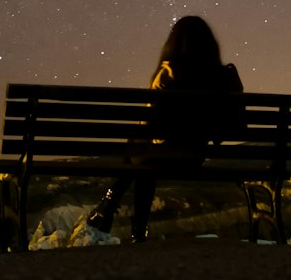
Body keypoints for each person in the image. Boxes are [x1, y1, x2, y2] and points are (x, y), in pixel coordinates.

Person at [85, 15, 244, 241]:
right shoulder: (224, 76)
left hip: (163, 154)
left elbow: (151, 126)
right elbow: (235, 125)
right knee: (144, 155)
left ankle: (114, 209)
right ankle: (124, 218)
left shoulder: (168, 74)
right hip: (194, 156)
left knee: (139, 150)